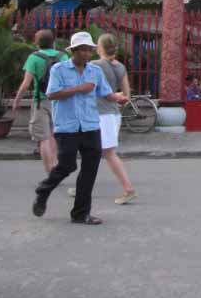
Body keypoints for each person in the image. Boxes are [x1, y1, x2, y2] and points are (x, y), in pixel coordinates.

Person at [32, 32, 128, 225]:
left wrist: (118, 98)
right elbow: (51, 94)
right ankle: (43, 190)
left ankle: (81, 213)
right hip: (67, 127)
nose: (86, 53)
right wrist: (79, 89)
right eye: (82, 49)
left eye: (89, 50)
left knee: (89, 170)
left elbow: (105, 92)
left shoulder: (95, 71)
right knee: (67, 165)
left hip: (91, 125)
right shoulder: (59, 69)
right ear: (73, 51)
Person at [89, 34, 137, 205]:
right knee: (94, 151)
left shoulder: (94, 65)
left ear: (100, 48)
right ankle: (84, 185)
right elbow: (126, 95)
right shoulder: (121, 67)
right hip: (113, 113)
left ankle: (128, 188)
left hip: (101, 114)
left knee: (107, 153)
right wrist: (119, 101)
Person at [11, 30, 66, 174]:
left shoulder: (33, 58)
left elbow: (26, 83)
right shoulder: (63, 56)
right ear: (53, 41)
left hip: (41, 101)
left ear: (36, 42)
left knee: (43, 138)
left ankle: (49, 173)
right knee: (54, 134)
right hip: (60, 100)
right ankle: (54, 165)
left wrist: (17, 100)